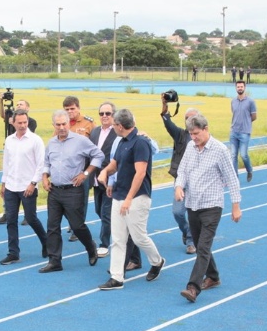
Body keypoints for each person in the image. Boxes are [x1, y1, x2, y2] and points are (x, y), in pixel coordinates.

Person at [175, 114, 242, 303]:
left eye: (196, 133)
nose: (193, 137)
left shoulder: (220, 150)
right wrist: (179, 186)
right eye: (190, 134)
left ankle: (193, 288)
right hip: (192, 204)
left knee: (203, 246)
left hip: (212, 205)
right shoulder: (190, 147)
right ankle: (213, 276)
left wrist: (236, 206)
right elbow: (183, 171)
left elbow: (231, 178)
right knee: (199, 245)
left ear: (206, 129)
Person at [97, 109, 165, 290]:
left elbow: (140, 172)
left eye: (114, 125)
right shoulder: (122, 142)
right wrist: (105, 172)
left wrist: (128, 198)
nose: (113, 128)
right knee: (118, 239)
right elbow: (115, 163)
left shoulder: (141, 143)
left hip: (137, 197)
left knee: (138, 237)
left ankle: (157, 261)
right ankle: (116, 277)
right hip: (119, 195)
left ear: (120, 126)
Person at [39, 110, 104, 272]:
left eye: (64, 124)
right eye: (58, 124)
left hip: (73, 190)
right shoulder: (51, 143)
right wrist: (45, 177)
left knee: (77, 225)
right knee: (52, 226)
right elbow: (46, 162)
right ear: (53, 125)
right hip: (55, 190)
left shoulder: (81, 141)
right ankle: (55, 260)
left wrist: (86, 173)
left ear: (69, 123)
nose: (61, 127)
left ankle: (90, 247)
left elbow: (99, 155)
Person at [0, 109, 48, 265]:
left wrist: (33, 183)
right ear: (13, 122)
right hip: (11, 186)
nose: (22, 125)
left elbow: (41, 164)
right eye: (19, 122)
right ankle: (13, 252)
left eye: (25, 122)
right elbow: (6, 163)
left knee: (31, 218)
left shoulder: (35, 140)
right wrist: (4, 183)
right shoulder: (10, 140)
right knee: (11, 220)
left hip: (28, 187)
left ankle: (47, 243)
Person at [161, 96, 199, 254]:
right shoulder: (180, 135)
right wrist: (164, 105)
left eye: (192, 118)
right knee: (177, 212)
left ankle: (191, 241)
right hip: (181, 180)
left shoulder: (203, 137)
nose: (189, 120)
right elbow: (167, 122)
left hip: (198, 180)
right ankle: (186, 232)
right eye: (186, 118)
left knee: (194, 213)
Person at [0, 97, 38, 225]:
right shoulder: (10, 134)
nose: (19, 106)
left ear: (27, 108)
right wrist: (0, 102)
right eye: (18, 104)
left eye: (22, 104)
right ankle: (7, 213)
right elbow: (2, 115)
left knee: (31, 215)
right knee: (11, 217)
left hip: (27, 173)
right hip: (12, 164)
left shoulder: (31, 122)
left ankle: (29, 216)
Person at [63, 96, 96, 242]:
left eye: (72, 109)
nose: (70, 112)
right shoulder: (62, 123)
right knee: (66, 199)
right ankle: (73, 222)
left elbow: (96, 145)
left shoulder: (88, 123)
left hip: (83, 167)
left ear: (78, 108)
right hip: (66, 167)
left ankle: (78, 229)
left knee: (81, 199)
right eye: (67, 109)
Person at [90, 102, 119, 257]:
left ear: (113, 115)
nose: (104, 116)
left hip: (110, 179)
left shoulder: (118, 133)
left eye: (108, 113)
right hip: (96, 179)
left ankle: (104, 243)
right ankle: (116, 230)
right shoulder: (94, 132)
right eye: (102, 114)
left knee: (106, 212)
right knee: (98, 210)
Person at [229, 80, 257, 182]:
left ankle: (249, 170)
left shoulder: (250, 102)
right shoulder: (233, 101)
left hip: (245, 132)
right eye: (238, 87)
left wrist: (247, 123)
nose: (240, 88)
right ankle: (235, 178)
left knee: (244, 155)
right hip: (234, 132)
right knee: (233, 156)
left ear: (244, 88)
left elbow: (254, 116)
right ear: (236, 88)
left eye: (241, 86)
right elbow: (234, 113)